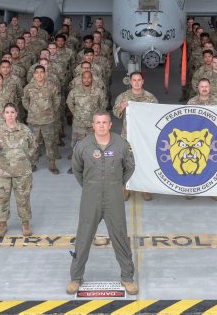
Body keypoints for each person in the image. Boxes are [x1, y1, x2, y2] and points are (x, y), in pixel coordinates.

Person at [67, 111, 138, 296]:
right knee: (83, 236)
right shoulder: (83, 145)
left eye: (104, 122)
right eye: (98, 122)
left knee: (120, 236)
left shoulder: (121, 144)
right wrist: (91, 185)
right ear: (93, 124)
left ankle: (127, 277)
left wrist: (117, 183)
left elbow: (130, 166)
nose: (101, 125)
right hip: (90, 196)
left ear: (110, 125)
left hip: (114, 195)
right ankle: (76, 277)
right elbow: (77, 169)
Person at [0, 103, 37, 236]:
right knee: (2, 197)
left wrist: (25, 158)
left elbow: (33, 145)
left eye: (12, 112)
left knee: (23, 197)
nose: (10, 115)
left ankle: (25, 223)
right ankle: (3, 224)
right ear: (3, 115)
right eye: (7, 112)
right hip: (2, 171)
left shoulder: (25, 130)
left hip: (22, 171)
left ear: (16, 114)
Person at [112, 71, 158, 201]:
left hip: (144, 136)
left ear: (143, 82)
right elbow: (115, 113)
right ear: (130, 82)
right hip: (128, 135)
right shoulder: (124, 97)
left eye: (139, 80)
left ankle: (145, 188)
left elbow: (157, 114)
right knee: (126, 162)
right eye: (134, 80)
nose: (137, 82)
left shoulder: (150, 98)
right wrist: (121, 107)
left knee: (145, 162)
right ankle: (125, 188)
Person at [22, 65, 61, 174]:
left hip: (48, 120)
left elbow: (57, 98)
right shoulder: (29, 87)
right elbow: (24, 99)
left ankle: (52, 164)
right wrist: (30, 109)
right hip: (33, 121)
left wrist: (52, 109)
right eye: (37, 72)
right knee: (33, 143)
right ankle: (33, 163)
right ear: (34, 74)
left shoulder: (51, 86)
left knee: (50, 143)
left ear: (45, 74)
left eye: (41, 72)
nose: (39, 74)